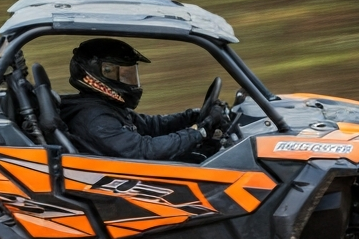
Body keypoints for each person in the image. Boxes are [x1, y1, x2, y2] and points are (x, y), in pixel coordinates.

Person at [58, 38, 231, 161]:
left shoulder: (104, 107)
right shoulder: (95, 119)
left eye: (131, 75)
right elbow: (145, 150)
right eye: (124, 76)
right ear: (101, 74)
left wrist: (192, 117)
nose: (131, 83)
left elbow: (151, 125)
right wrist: (198, 132)